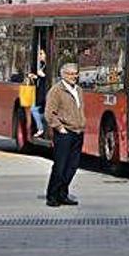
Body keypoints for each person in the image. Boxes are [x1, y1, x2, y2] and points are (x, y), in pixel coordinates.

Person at [44, 63, 86, 207]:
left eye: (76, 73)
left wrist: (82, 124)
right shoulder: (56, 90)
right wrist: (59, 128)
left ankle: (63, 194)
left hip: (78, 132)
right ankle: (52, 196)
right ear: (63, 75)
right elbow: (49, 113)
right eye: (71, 74)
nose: (74, 76)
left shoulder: (78, 90)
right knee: (60, 166)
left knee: (72, 166)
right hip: (64, 133)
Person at [28, 49, 48, 138]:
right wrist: (35, 77)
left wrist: (43, 75)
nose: (39, 56)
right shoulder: (42, 65)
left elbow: (52, 78)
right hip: (40, 91)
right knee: (35, 108)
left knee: (34, 109)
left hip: (45, 92)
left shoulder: (49, 65)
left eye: (41, 54)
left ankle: (41, 128)